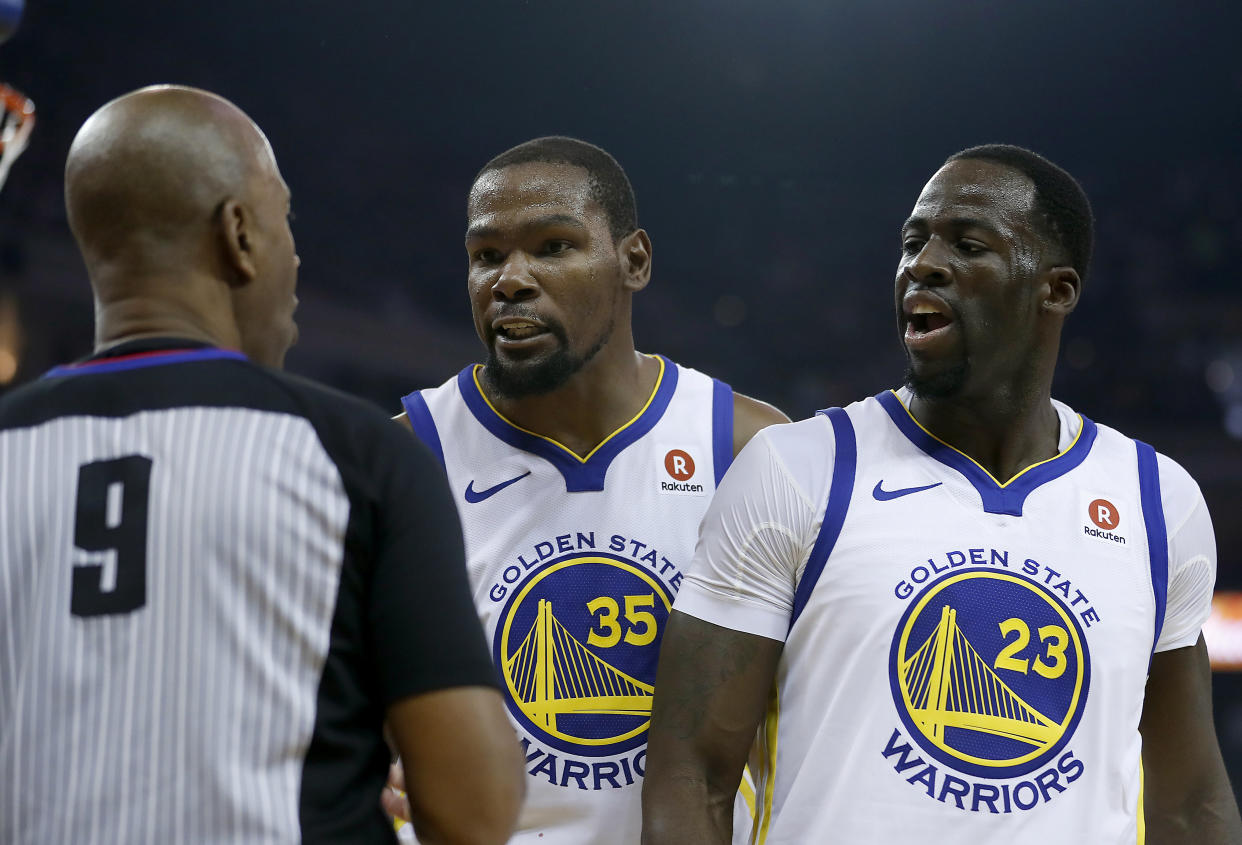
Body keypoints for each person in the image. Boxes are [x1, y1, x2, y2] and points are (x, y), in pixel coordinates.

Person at [642, 145, 1242, 844]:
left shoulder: (1157, 500)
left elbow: (1191, 800)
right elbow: (692, 774)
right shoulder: (796, 468)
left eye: (967, 244)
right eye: (912, 242)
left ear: (1057, 288)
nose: (921, 264)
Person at [0, 85, 523, 844]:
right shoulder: (359, 453)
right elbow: (472, 812)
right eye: (286, 220)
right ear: (239, 234)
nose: (297, 255)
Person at [392, 136, 788, 844]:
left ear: (633, 261)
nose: (509, 279)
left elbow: (814, 709)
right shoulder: (404, 455)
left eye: (552, 246)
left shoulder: (748, 446)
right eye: (486, 256)